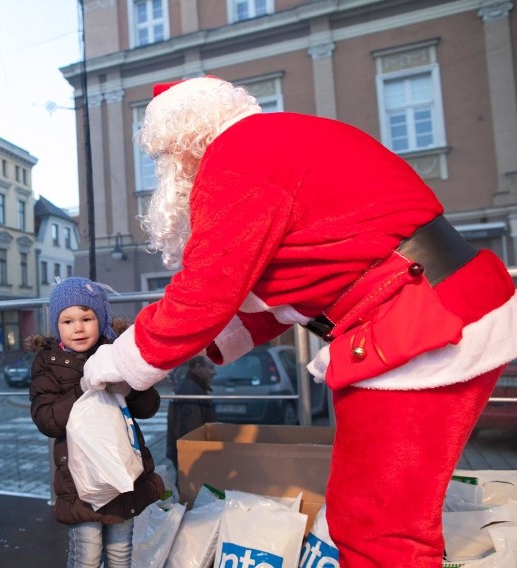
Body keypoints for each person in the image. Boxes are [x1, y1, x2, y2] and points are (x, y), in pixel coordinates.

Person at [81, 76, 517, 567]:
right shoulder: (281, 141)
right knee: (389, 511)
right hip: (443, 307)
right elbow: (282, 281)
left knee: (377, 527)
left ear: (184, 144)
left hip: (420, 327)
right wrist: (203, 343)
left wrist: (119, 360)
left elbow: (207, 287)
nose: (168, 172)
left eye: (164, 157)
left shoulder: (236, 160)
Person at [28, 277, 164, 568]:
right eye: (67, 321)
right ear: (56, 325)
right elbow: (46, 419)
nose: (77, 328)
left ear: (100, 318)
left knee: (119, 554)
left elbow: (150, 407)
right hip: (80, 479)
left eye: (86, 318)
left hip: (123, 474)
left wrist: (130, 387)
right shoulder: (47, 362)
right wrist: (84, 387)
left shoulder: (117, 353)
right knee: (87, 558)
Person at [165, 355, 216, 472]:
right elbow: (189, 431)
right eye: (211, 368)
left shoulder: (194, 387)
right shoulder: (190, 391)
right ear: (198, 367)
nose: (214, 372)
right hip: (191, 459)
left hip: (189, 457)